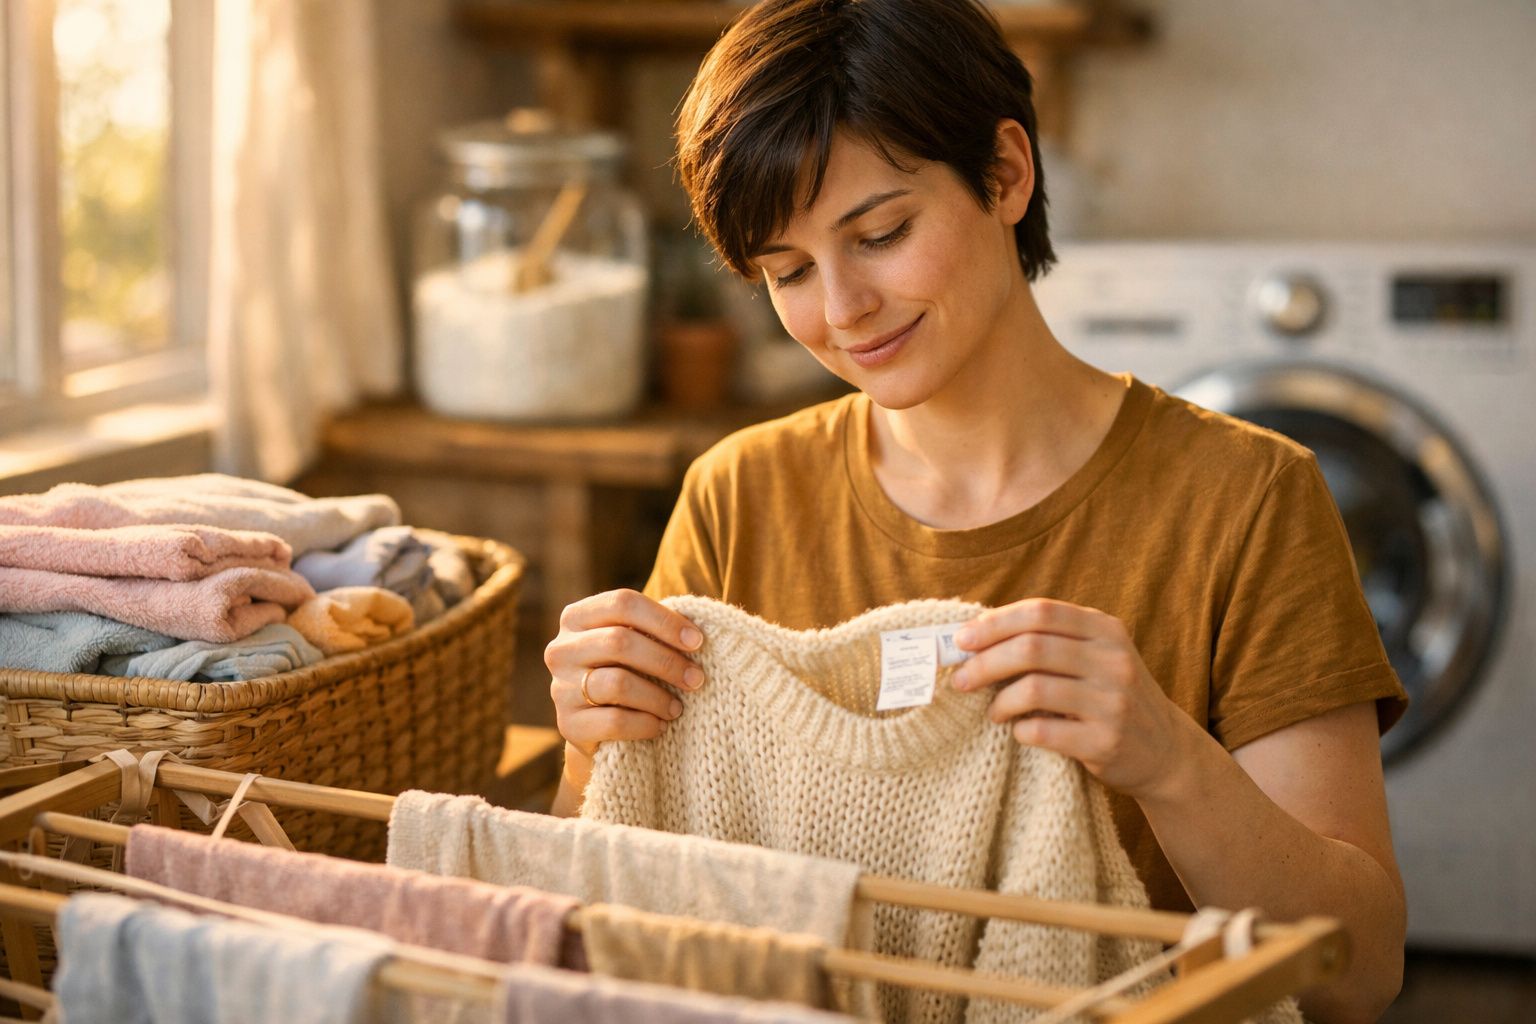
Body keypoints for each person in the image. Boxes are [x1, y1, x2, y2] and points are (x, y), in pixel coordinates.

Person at [543, 1, 1408, 1019]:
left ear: (1006, 172)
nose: (842, 308)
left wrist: (1168, 758)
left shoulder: (1247, 497)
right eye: (788, 272)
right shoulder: (739, 494)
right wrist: (594, 735)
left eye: (882, 233)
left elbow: (1360, 972)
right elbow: (593, 894)